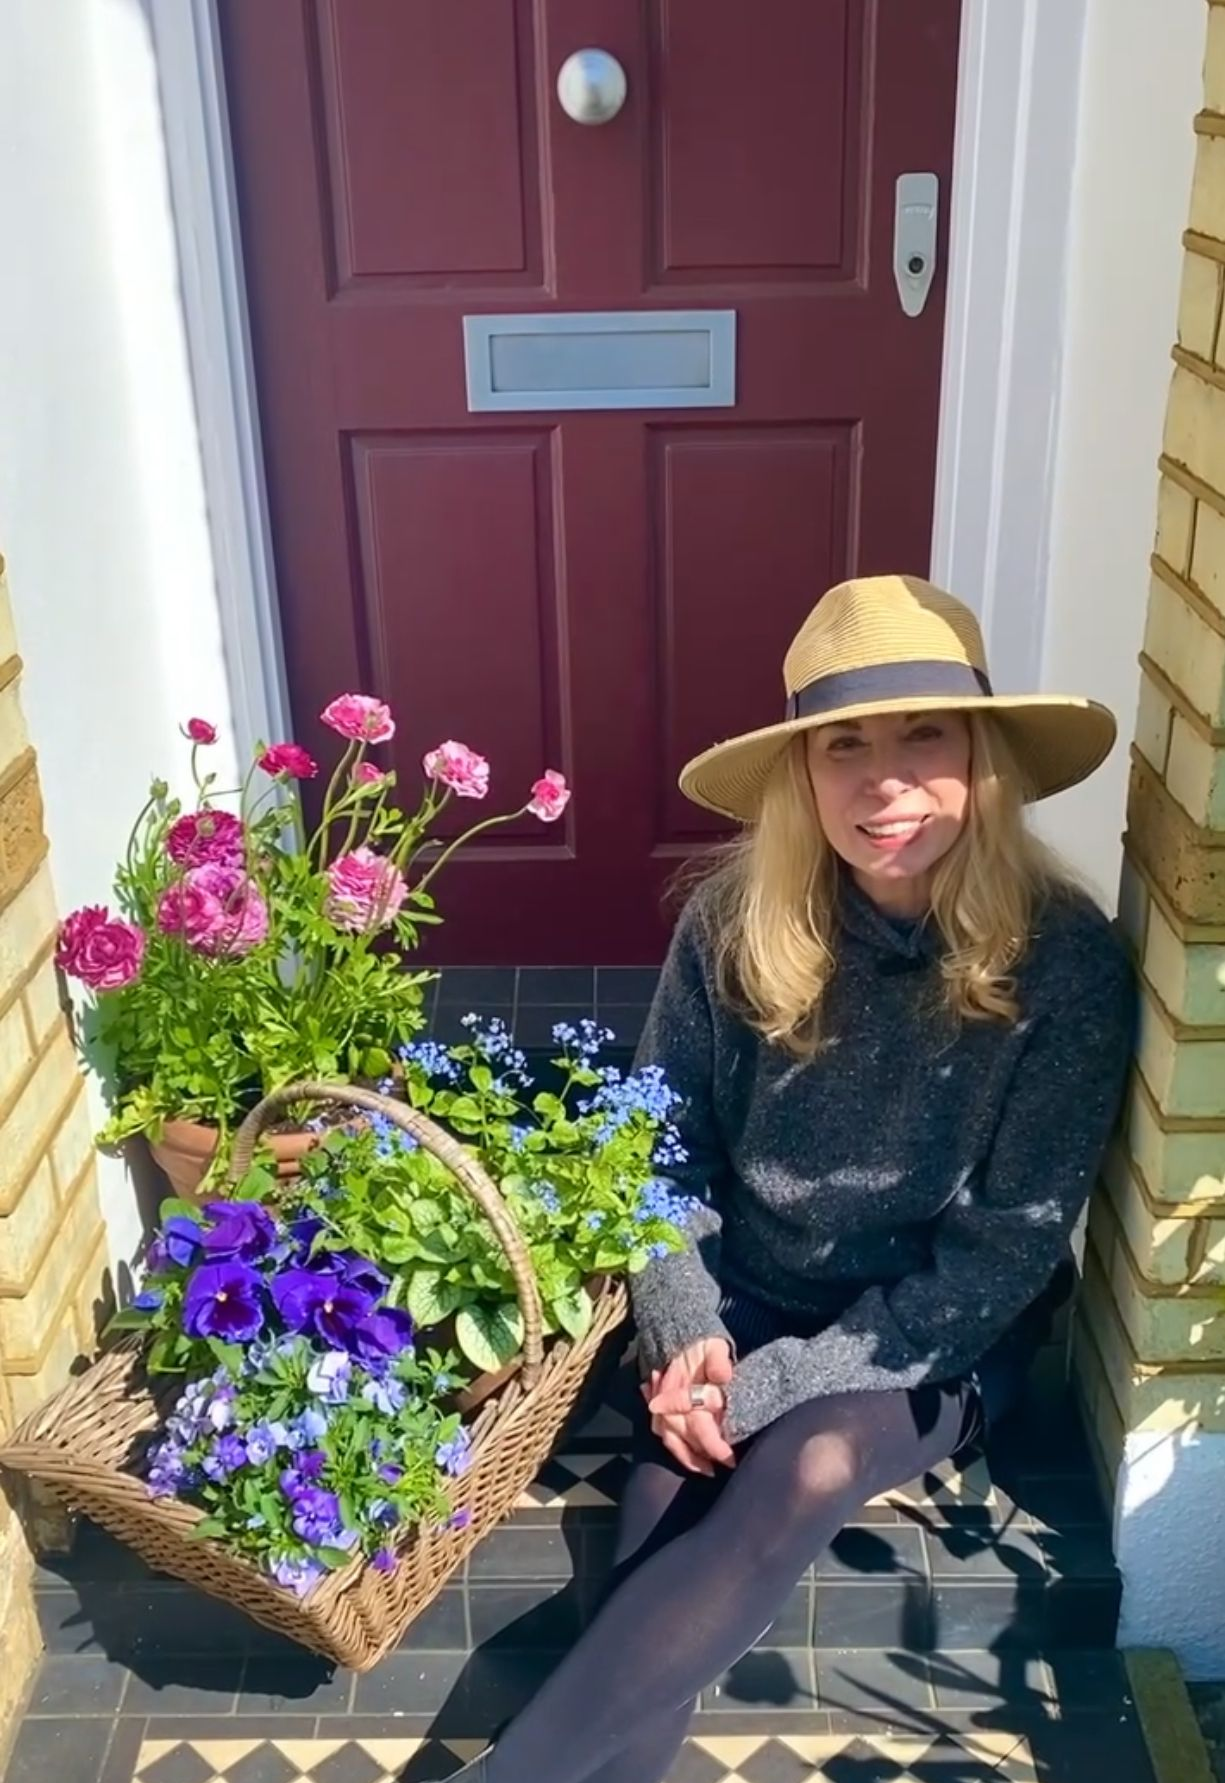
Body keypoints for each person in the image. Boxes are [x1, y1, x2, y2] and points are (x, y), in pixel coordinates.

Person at [450, 575, 1136, 1783]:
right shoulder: (732, 920)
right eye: (843, 744)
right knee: (657, 1516)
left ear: (981, 756)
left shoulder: (1065, 966)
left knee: (808, 1461)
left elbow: (999, 1257)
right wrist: (685, 1329)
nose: (883, 782)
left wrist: (768, 1388)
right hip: (741, 1299)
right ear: (801, 771)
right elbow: (656, 1151)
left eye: (924, 733)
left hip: (933, 1337)